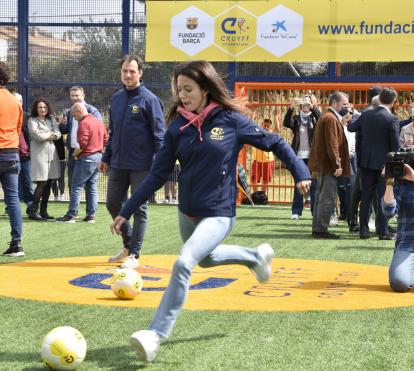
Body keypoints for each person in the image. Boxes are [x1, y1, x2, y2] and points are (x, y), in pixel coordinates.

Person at [109, 60, 311, 362]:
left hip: (219, 212)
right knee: (206, 259)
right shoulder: (178, 126)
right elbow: (156, 174)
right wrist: (126, 208)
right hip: (188, 211)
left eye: (188, 89)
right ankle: (255, 257)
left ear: (205, 88)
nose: (183, 95)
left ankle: (155, 335)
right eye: (179, 90)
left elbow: (276, 142)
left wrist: (300, 171)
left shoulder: (231, 120)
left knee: (184, 262)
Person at [100, 54, 165, 269]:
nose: (128, 75)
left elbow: (159, 136)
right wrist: (106, 156)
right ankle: (127, 246)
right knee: (112, 203)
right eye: (124, 71)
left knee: (139, 209)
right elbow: (113, 131)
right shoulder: (117, 98)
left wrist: (159, 164)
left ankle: (134, 255)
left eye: (132, 71)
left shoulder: (150, 100)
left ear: (140, 73)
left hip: (142, 166)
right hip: (118, 163)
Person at [348, 88, 400, 240]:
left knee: (366, 197)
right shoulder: (392, 119)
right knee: (383, 197)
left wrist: (348, 117)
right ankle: (382, 231)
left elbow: (351, 128)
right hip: (384, 165)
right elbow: (395, 146)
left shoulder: (366, 114)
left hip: (365, 163)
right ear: (392, 102)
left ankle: (363, 230)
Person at [56, 103, 108, 223]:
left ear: (79, 112)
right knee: (92, 187)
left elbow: (82, 144)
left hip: (86, 158)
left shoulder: (84, 123)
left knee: (76, 187)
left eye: (74, 116)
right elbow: (106, 140)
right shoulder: (99, 122)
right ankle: (91, 215)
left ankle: (71, 215)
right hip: (97, 158)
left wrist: (74, 155)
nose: (74, 118)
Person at [308, 91, 351, 239]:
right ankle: (321, 229)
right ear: (334, 103)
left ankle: (318, 228)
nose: (347, 107)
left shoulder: (328, 117)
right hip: (328, 167)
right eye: (344, 104)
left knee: (321, 198)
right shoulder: (331, 119)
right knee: (327, 198)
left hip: (324, 165)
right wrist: (337, 166)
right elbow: (332, 145)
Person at [59, 86, 102, 196]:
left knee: (89, 185)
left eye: (77, 95)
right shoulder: (70, 112)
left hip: (88, 153)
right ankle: (74, 212)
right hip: (73, 152)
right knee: (72, 184)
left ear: (83, 95)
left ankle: (90, 213)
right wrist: (61, 124)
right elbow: (66, 131)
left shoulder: (92, 111)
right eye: (72, 95)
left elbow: (100, 131)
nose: (74, 98)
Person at [0, 61, 24, 257]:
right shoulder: (15, 101)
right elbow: (17, 129)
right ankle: (17, 244)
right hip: (11, 153)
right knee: (13, 199)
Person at [283, 96, 320, 219]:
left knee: (314, 184)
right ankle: (296, 212)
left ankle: (314, 212)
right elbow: (286, 123)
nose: (305, 103)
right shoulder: (297, 118)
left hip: (313, 157)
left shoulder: (315, 118)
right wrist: (291, 108)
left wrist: (313, 108)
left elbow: (321, 119)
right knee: (299, 183)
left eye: (308, 101)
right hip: (298, 156)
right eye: (303, 101)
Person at [27, 98, 61, 221]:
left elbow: (58, 133)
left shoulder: (51, 119)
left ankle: (43, 211)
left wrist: (49, 135)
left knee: (49, 182)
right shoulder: (32, 120)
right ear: (36, 109)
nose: (43, 109)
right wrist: (50, 135)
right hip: (39, 154)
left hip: (51, 153)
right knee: (42, 182)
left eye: (44, 107)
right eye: (40, 107)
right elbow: (37, 136)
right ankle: (33, 211)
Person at [382, 164, 414, 292]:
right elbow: (389, 212)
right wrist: (390, 182)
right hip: (407, 243)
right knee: (400, 282)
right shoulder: (401, 184)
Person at [13, 92, 34, 213]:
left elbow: (31, 136)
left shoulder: (28, 117)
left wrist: (31, 151)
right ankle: (9, 207)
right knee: (11, 184)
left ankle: (31, 206)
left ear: (21, 103)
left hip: (25, 156)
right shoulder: (5, 116)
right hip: (10, 155)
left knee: (27, 182)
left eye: (16, 102)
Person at [249, 118, 275, 195]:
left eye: (268, 126)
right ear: (261, 124)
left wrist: (276, 116)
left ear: (270, 127)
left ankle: (263, 195)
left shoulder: (271, 133)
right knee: (254, 178)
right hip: (257, 159)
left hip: (268, 160)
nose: (266, 127)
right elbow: (251, 124)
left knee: (266, 179)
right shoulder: (257, 131)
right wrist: (253, 115)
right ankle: (255, 194)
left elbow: (278, 129)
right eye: (265, 125)